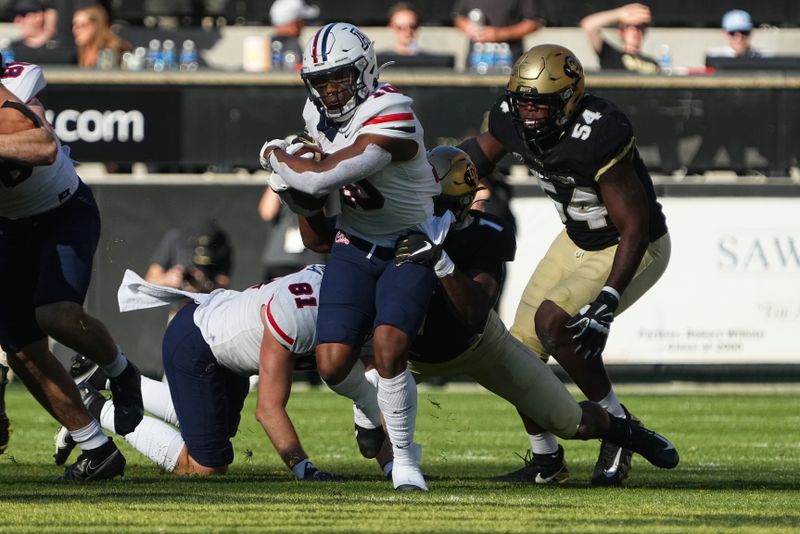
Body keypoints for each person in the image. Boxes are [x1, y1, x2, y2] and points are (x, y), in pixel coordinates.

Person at [300, 145, 679, 483]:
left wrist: (441, 261)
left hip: (480, 344)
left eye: (444, 204)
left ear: (468, 203)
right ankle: (378, 430)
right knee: (362, 393)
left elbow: (475, 311)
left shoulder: (486, 232)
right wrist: (300, 198)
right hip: (408, 354)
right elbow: (320, 239)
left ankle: (624, 430)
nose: (434, 211)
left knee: (573, 423)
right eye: (429, 201)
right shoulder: (390, 222)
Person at [459, 44, 671, 486]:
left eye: (541, 102)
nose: (530, 113)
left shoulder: (600, 131)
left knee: (552, 322)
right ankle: (547, 460)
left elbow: (633, 226)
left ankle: (617, 425)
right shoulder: (511, 117)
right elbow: (475, 157)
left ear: (570, 99)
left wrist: (609, 298)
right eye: (524, 101)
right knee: (514, 353)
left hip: (632, 245)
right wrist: (424, 176)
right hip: (576, 238)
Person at [260, 22, 441, 491]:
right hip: (356, 241)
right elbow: (310, 180)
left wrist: (275, 155)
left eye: (339, 78)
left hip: (409, 242)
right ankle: (369, 409)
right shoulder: (317, 113)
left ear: (364, 70)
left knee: (388, 348)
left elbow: (319, 179)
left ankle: (404, 460)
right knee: (332, 363)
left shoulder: (392, 112)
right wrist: (297, 163)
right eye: (320, 81)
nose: (330, 90)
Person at [55, 265, 340, 480]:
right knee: (207, 465)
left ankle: (101, 378)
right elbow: (268, 410)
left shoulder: (335, 286)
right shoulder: (304, 312)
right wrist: (303, 466)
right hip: (199, 342)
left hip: (224, 340)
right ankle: (95, 407)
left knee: (211, 429)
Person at [0, 61, 143, 480]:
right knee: (22, 348)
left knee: (56, 314)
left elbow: (44, 146)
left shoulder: (8, 102)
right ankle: (96, 449)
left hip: (63, 212)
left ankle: (120, 370)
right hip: (10, 229)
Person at [145, 219, 233, 295]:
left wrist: (206, 284)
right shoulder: (176, 238)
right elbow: (149, 280)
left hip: (207, 309)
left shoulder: (219, 242)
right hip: (179, 310)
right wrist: (168, 278)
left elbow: (224, 283)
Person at [259, 187, 326, 283]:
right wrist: (278, 175)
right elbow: (267, 213)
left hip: (313, 259)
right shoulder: (281, 180)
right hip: (281, 259)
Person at [453, 0, 543, 69]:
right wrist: (467, 27)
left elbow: (533, 23)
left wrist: (499, 34)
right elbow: (458, 18)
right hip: (475, 65)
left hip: (510, 66)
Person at [580, 2, 659, 74]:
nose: (636, 31)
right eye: (630, 27)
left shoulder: (652, 62)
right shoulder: (611, 56)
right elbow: (589, 25)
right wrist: (619, 14)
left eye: (640, 27)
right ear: (621, 31)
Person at [10, 0, 73, 65]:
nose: (17, 20)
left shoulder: (63, 47)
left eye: (23, 15)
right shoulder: (12, 50)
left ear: (38, 17)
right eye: (14, 16)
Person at [72, 3, 131, 69]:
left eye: (82, 26)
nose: (75, 30)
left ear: (95, 26)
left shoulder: (113, 49)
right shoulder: (81, 51)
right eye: (74, 25)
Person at [268, 0, 320, 71]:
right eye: (301, 20)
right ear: (294, 22)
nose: (303, 25)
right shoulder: (292, 44)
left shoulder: (266, 44)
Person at [706, 9, 772, 59]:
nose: (739, 37)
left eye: (744, 32)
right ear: (725, 33)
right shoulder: (715, 56)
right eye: (733, 33)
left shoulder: (766, 57)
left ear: (750, 32)